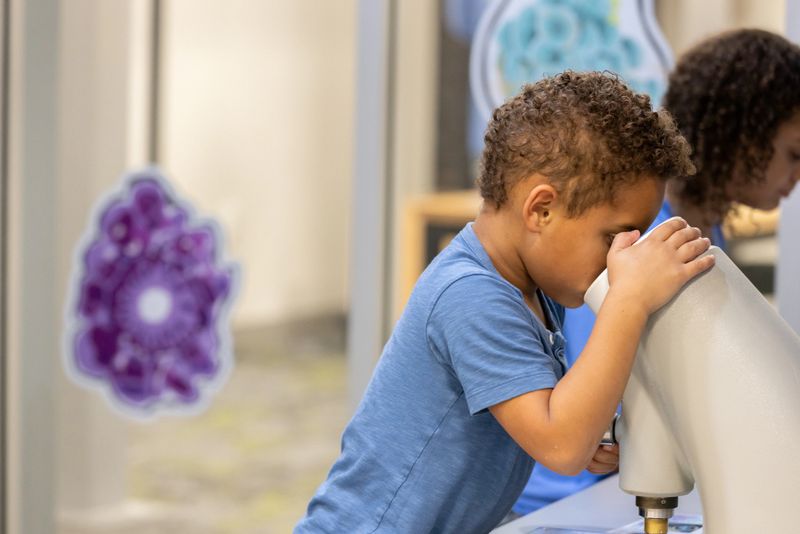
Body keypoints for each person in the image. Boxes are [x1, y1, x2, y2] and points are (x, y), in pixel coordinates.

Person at [295, 71, 713, 533]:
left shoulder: (532, 291)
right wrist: (629, 301)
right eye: (614, 237)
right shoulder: (471, 295)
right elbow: (560, 447)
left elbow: (549, 421)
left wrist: (587, 424)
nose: (620, 260)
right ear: (541, 210)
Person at [513, 28, 800, 517]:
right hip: (567, 500)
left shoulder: (698, 236)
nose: (796, 175)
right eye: (793, 154)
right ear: (743, 135)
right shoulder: (642, 242)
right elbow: (592, 383)